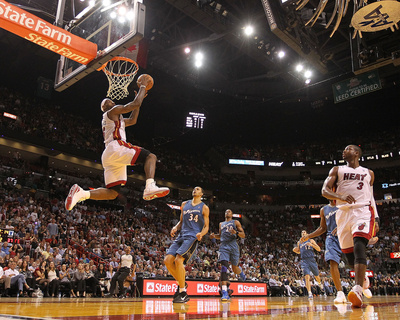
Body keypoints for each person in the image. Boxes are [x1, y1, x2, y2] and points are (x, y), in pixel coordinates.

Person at [65, 76, 169, 211]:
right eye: (107, 101)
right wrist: (142, 86)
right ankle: (149, 186)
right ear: (105, 107)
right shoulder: (112, 112)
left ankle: (82, 193)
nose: (110, 101)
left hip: (109, 154)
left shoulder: (116, 120)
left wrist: (140, 99)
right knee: (151, 157)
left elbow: (133, 120)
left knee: (113, 192)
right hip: (116, 147)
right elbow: (133, 105)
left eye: (110, 100)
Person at [322, 144, 379, 307]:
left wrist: (377, 218)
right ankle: (364, 278)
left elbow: (371, 196)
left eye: (348, 149)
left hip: (362, 210)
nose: (344, 151)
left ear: (356, 153)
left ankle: (358, 289)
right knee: (349, 256)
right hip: (342, 212)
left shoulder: (368, 173)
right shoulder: (336, 170)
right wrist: (339, 195)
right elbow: (324, 190)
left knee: (359, 245)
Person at [164, 186, 210, 303]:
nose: (195, 190)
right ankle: (182, 283)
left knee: (179, 260)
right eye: (194, 189)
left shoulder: (204, 207)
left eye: (198, 189)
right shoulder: (184, 204)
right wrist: (175, 227)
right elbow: (181, 221)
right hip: (182, 235)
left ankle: (183, 291)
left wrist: (201, 234)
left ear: (202, 194)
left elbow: (206, 226)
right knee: (168, 260)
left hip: (192, 236)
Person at [300, 200, 348, 303]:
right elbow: (322, 228)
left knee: (353, 262)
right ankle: (340, 293)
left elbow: (352, 217)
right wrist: (308, 236)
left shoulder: (344, 203)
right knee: (332, 262)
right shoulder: (324, 209)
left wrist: (342, 227)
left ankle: (361, 286)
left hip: (345, 233)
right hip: (332, 237)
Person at [210, 209, 246, 301]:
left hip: (233, 245)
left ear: (232, 214)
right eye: (226, 211)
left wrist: (236, 233)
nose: (227, 212)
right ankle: (225, 292)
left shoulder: (236, 222)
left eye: (229, 211)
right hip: (223, 246)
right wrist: (215, 236)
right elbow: (220, 236)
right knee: (224, 267)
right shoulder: (221, 224)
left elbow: (243, 235)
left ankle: (241, 273)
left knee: (234, 268)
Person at [293, 230, 324, 299]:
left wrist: (312, 245)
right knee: (307, 277)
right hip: (304, 261)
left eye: (304, 232)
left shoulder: (311, 240)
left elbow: (319, 249)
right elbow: (299, 252)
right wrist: (295, 250)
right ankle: (310, 293)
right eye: (302, 233)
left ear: (307, 234)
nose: (303, 234)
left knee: (317, 276)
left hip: (311, 259)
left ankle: (319, 283)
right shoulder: (299, 242)